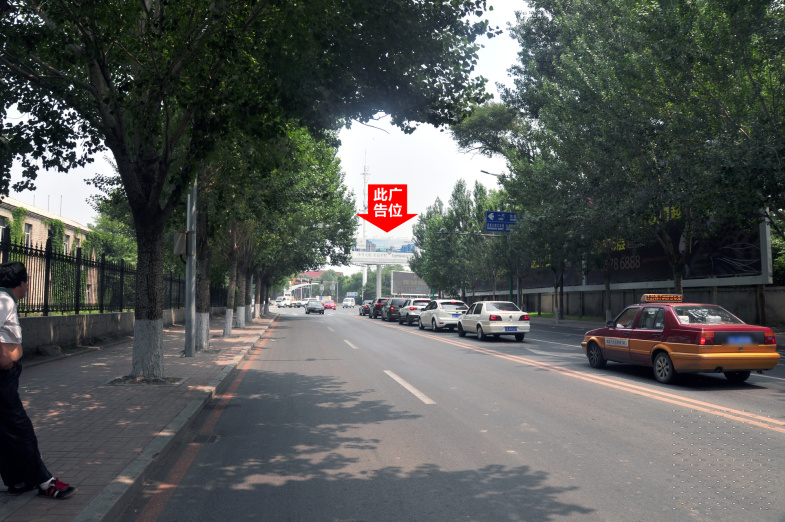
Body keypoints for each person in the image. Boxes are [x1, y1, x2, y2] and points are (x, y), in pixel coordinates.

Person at [0, 261, 75, 499]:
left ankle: (18, 480)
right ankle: (45, 482)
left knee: (6, 429)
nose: (28, 286)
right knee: (21, 429)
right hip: (3, 375)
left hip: (7, 373)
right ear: (21, 282)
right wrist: (2, 357)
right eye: (27, 282)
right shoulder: (4, 300)